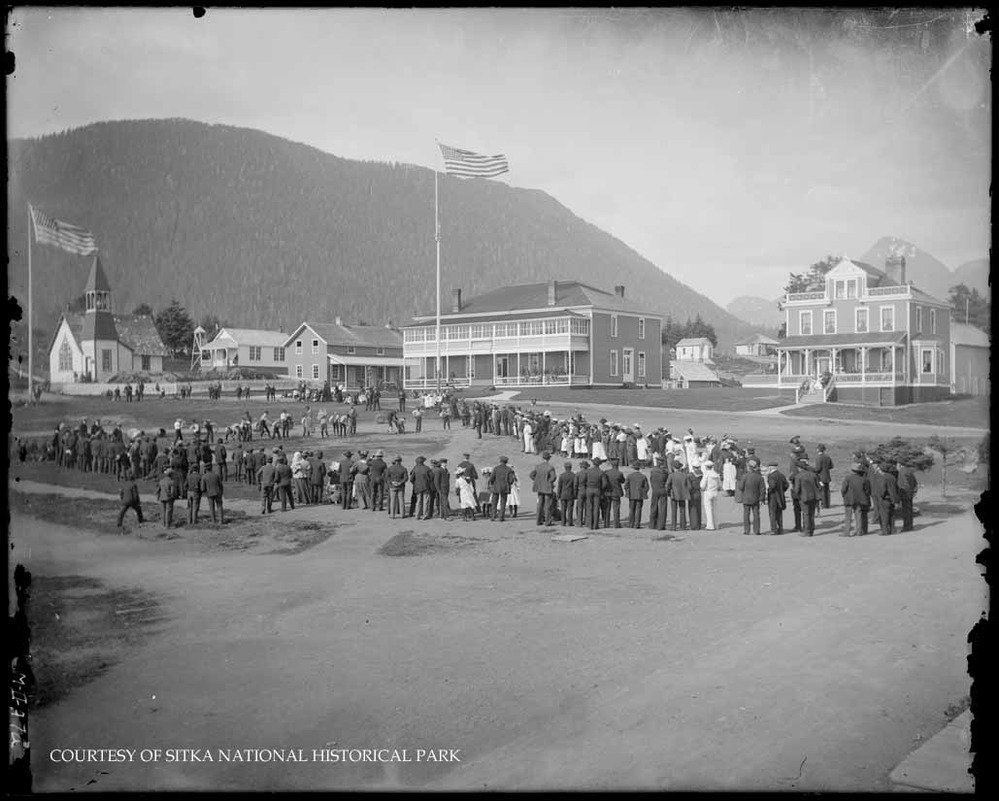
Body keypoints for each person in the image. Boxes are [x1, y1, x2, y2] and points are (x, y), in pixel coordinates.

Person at [840, 462, 871, 537]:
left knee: (848, 517)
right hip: (860, 499)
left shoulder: (848, 478)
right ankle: (859, 531)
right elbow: (867, 490)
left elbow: (843, 489)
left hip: (849, 499)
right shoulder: (864, 479)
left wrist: (844, 495)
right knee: (858, 516)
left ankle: (847, 532)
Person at [737, 459, 766, 535]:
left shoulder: (745, 476)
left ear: (749, 467)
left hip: (746, 498)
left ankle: (747, 530)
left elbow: (740, 487)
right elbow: (763, 489)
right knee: (756, 514)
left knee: (746, 515)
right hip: (756, 498)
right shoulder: (759, 477)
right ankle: (757, 530)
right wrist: (762, 498)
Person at [792, 459, 820, 536]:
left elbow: (797, 489)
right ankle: (811, 530)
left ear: (799, 468)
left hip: (804, 497)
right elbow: (818, 485)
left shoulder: (798, 476)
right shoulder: (813, 474)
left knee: (806, 514)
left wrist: (795, 495)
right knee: (812, 514)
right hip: (814, 496)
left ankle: (807, 531)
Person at [530, 451, 557, 526]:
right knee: (548, 505)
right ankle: (547, 521)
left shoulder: (538, 466)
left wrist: (537, 480)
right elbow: (553, 477)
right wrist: (549, 482)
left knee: (540, 504)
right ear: (549, 459)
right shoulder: (550, 467)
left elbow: (531, 475)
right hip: (547, 488)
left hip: (539, 487)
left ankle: (538, 520)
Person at [581, 457, 606, 530]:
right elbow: (604, 484)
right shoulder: (601, 472)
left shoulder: (588, 471)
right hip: (597, 489)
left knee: (589, 507)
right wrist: (600, 488)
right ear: (599, 464)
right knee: (596, 507)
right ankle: (595, 525)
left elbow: (583, 481)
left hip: (589, 489)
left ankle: (590, 524)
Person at [765, 461, 789, 535]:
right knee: (779, 513)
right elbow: (786, 485)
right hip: (780, 496)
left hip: (773, 497)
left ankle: (774, 529)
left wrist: (769, 491)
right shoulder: (781, 475)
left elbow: (772, 485)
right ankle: (780, 528)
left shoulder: (771, 476)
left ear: (771, 467)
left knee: (772, 513)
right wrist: (782, 490)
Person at [666, 459, 691, 531]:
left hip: (674, 494)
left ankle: (673, 526)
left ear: (674, 467)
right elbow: (689, 486)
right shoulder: (684, 475)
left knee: (674, 510)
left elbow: (667, 485)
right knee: (682, 510)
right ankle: (683, 526)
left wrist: (668, 492)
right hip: (683, 494)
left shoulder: (671, 475)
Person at [490, 456, 516, 521]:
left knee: (494, 502)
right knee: (503, 502)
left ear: (500, 461)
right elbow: (511, 480)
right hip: (505, 487)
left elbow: (492, 478)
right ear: (506, 462)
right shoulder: (509, 469)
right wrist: (508, 484)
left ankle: (493, 516)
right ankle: (501, 517)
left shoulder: (496, 468)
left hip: (496, 486)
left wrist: (492, 483)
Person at [877, 462, 899, 535]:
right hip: (893, 498)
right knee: (892, 515)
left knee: (884, 515)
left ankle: (885, 530)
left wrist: (880, 496)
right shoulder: (892, 477)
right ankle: (892, 530)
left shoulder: (883, 477)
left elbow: (882, 489)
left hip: (885, 498)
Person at [699, 460, 722, 531]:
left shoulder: (706, 474)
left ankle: (710, 525)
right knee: (715, 509)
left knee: (708, 510)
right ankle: (716, 524)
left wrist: (702, 488)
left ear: (706, 467)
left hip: (708, 492)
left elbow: (702, 485)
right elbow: (720, 485)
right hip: (715, 492)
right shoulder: (716, 474)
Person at [896, 458, 918, 532]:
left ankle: (906, 526)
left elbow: (903, 484)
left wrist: (901, 492)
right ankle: (910, 525)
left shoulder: (901, 472)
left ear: (899, 464)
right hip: (910, 493)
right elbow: (915, 482)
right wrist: (913, 491)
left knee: (905, 511)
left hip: (905, 493)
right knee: (909, 510)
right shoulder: (909, 471)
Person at [603, 456, 625, 528]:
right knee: (616, 509)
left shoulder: (606, 472)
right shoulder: (619, 473)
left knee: (607, 509)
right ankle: (616, 524)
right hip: (616, 492)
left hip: (607, 492)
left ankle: (606, 524)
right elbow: (622, 481)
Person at [625, 465, 650, 529]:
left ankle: (631, 524)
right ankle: (637, 524)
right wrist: (643, 493)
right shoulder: (643, 477)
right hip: (639, 495)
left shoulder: (629, 476)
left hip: (631, 495)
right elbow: (647, 487)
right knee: (638, 510)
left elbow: (626, 486)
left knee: (631, 510)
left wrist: (628, 492)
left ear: (633, 468)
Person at [649, 459, 669, 531]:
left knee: (654, 506)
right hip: (662, 489)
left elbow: (651, 480)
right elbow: (667, 481)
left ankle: (652, 524)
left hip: (655, 489)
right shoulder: (665, 472)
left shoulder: (653, 471)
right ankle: (661, 525)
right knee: (663, 507)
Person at [556, 461, 577, 527]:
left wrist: (558, 495)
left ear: (565, 468)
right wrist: (575, 494)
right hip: (570, 494)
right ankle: (570, 522)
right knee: (570, 509)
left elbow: (559, 486)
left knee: (563, 509)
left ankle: (563, 522)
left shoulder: (562, 475)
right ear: (570, 467)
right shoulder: (573, 475)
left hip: (563, 494)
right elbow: (575, 486)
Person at [814, 444, 834, 509]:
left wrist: (814, 471)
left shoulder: (818, 458)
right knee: (827, 491)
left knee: (822, 491)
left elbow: (818, 468)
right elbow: (831, 466)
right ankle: (827, 504)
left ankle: (823, 504)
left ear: (819, 449)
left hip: (820, 476)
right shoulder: (827, 457)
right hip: (827, 476)